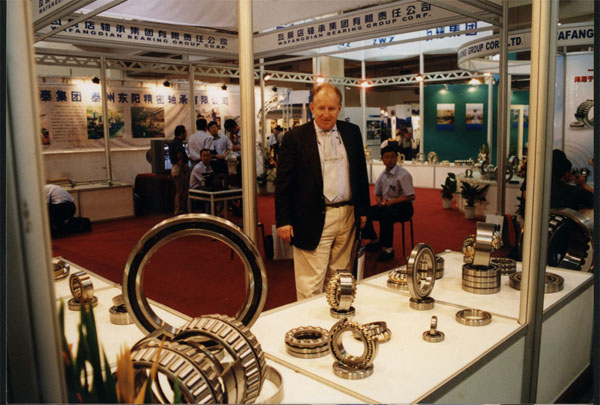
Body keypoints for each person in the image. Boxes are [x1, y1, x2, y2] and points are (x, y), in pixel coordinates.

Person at [275, 83, 370, 300]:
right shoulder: (295, 137)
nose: (326, 114)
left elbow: (360, 174)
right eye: (321, 108)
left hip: (347, 216)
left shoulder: (352, 133)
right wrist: (283, 220)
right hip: (311, 216)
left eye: (331, 108)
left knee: (340, 279)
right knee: (311, 284)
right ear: (312, 108)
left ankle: (334, 317)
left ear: (339, 109)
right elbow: (283, 182)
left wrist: (363, 210)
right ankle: (310, 322)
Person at [363, 144, 415, 261]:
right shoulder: (383, 175)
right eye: (387, 157)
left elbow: (411, 196)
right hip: (388, 205)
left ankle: (388, 249)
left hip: (404, 207)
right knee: (365, 212)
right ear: (382, 159)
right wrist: (379, 201)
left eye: (392, 157)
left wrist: (392, 202)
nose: (390, 160)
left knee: (385, 216)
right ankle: (374, 240)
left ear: (397, 158)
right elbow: (378, 194)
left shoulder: (403, 174)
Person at [169, 125, 190, 215]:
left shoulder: (174, 142)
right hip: (179, 169)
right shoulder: (177, 143)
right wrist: (181, 161)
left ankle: (180, 209)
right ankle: (179, 210)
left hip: (176, 169)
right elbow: (179, 153)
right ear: (182, 133)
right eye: (185, 132)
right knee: (181, 191)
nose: (186, 134)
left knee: (180, 190)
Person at [189, 148, 214, 213]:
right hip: (195, 191)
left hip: (204, 188)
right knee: (209, 194)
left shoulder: (210, 166)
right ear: (201, 157)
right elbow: (204, 182)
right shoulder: (198, 167)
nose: (206, 158)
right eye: (204, 156)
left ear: (211, 157)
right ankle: (208, 215)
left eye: (208, 156)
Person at [224, 118, 242, 187]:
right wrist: (231, 138)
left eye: (231, 131)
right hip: (238, 158)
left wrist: (237, 147)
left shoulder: (242, 133)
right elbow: (232, 146)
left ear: (234, 127)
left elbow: (246, 147)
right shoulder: (235, 134)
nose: (231, 132)